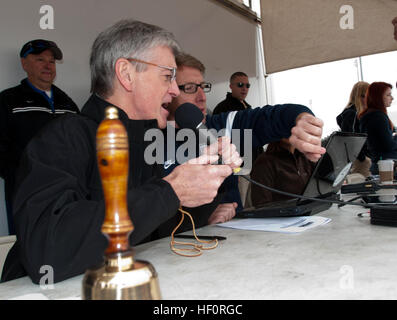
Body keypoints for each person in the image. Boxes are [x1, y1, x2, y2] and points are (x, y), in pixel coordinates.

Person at [1, 20, 243, 284]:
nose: (174, 90)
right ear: (126, 74)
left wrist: (205, 191)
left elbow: (148, 227)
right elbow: (47, 250)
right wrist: (171, 191)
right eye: (167, 76)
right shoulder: (63, 137)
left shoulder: (146, 140)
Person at [167, 53, 326, 219]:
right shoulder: (152, 141)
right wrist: (204, 217)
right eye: (190, 88)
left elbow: (266, 117)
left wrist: (301, 118)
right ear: (169, 90)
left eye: (203, 87)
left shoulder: (218, 125)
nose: (202, 97)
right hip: (187, 242)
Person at [0, 39, 79, 235]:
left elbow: (81, 144)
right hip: (26, 193)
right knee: (27, 246)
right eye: (40, 59)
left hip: (65, 191)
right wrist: (21, 177)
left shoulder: (67, 103)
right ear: (24, 63)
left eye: (51, 61)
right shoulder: (8, 100)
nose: (47, 66)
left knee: (62, 240)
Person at [250, 138, 315, 206]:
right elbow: (261, 205)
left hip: (310, 212)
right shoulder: (264, 162)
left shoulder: (305, 157)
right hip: (281, 215)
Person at [359, 82, 397, 174]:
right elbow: (388, 145)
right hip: (387, 166)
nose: (392, 98)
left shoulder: (369, 115)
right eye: (388, 95)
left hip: (379, 163)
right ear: (378, 97)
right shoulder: (378, 116)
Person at [336, 81, 371, 177]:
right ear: (361, 96)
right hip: (359, 159)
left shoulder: (357, 113)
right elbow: (350, 138)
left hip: (360, 157)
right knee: (362, 187)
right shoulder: (352, 114)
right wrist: (362, 157)